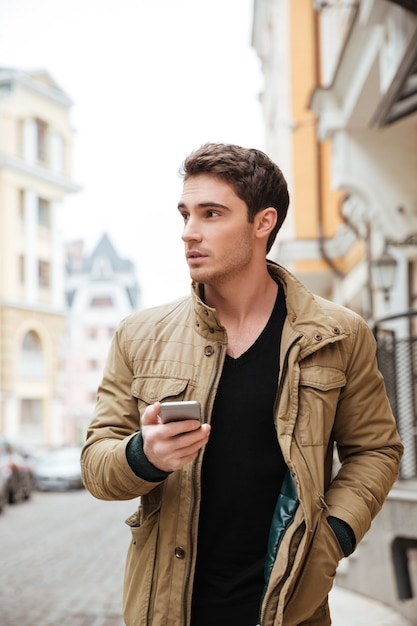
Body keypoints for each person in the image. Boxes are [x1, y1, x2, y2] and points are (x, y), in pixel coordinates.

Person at [81, 142, 403, 626]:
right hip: (169, 607)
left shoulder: (338, 334)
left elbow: (377, 450)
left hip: (291, 603)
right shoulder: (139, 334)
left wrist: (333, 534)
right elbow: (95, 463)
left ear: (262, 222)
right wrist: (142, 455)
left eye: (211, 214)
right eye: (185, 214)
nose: (190, 233)